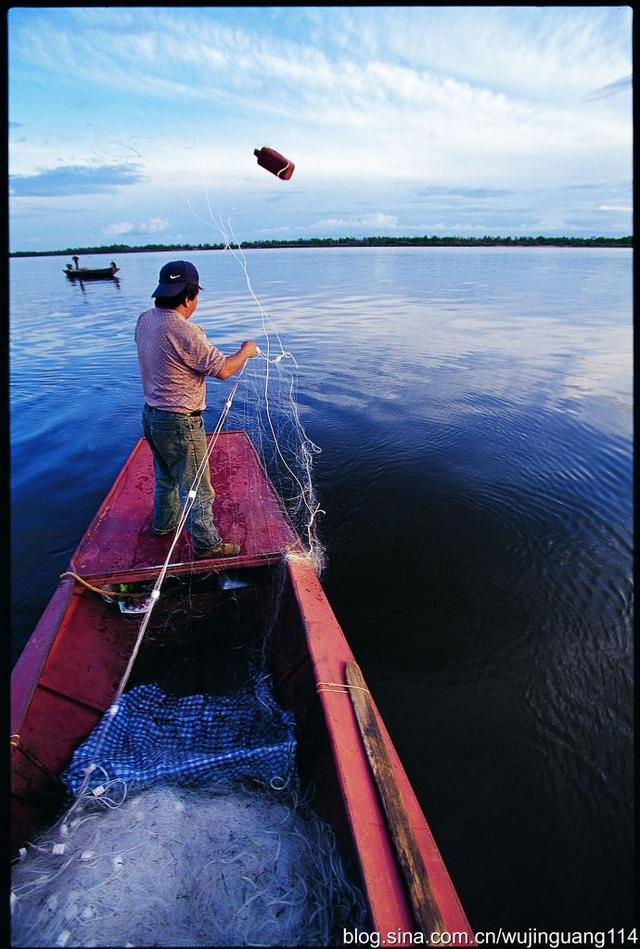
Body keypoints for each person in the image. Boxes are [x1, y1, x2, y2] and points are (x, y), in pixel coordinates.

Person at [135, 260, 258, 559]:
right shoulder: (185, 332)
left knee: (165, 478)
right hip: (180, 423)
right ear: (189, 297)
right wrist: (247, 350)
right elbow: (224, 370)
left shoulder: (146, 319)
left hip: (151, 417)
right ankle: (207, 545)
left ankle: (163, 526)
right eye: (196, 296)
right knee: (198, 490)